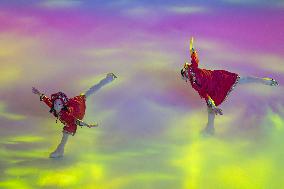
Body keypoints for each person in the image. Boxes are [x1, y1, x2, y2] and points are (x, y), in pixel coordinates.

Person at [181, 37, 279, 135]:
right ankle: (210, 128)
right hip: (216, 82)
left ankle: (210, 128)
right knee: (241, 80)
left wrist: (192, 47)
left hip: (217, 81)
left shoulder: (193, 79)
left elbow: (204, 93)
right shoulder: (193, 73)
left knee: (240, 81)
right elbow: (194, 59)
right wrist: (191, 47)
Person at [32, 73, 117, 158]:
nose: (56, 105)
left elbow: (75, 120)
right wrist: (39, 93)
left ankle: (60, 150)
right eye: (55, 103)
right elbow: (47, 100)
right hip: (74, 107)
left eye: (59, 104)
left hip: (76, 111)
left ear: (63, 105)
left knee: (65, 134)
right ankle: (108, 80)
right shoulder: (53, 106)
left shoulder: (67, 113)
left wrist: (87, 125)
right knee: (90, 91)